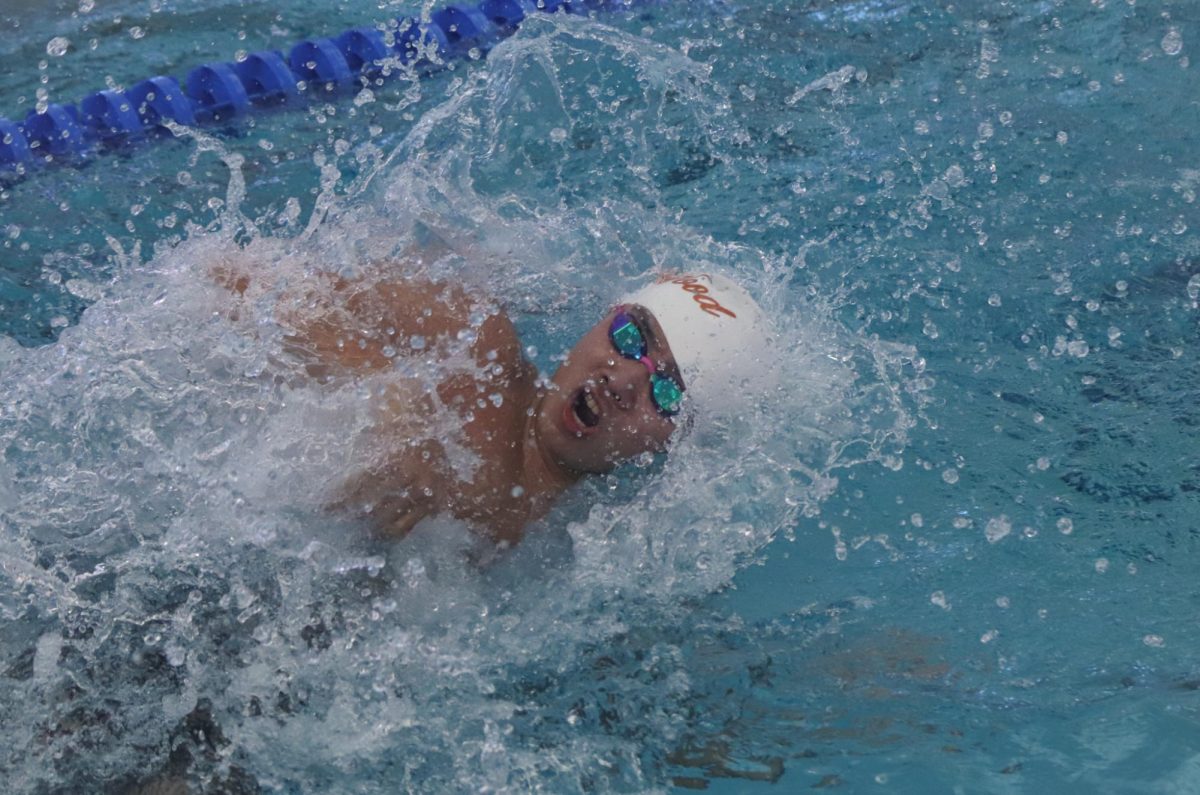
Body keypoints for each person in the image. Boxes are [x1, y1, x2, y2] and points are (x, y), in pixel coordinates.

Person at [218, 260, 771, 546]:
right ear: (603, 319)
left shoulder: (595, 548)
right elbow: (234, 279)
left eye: (665, 390)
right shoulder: (471, 348)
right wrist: (383, 399)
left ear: (674, 444)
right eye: (631, 337)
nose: (623, 379)